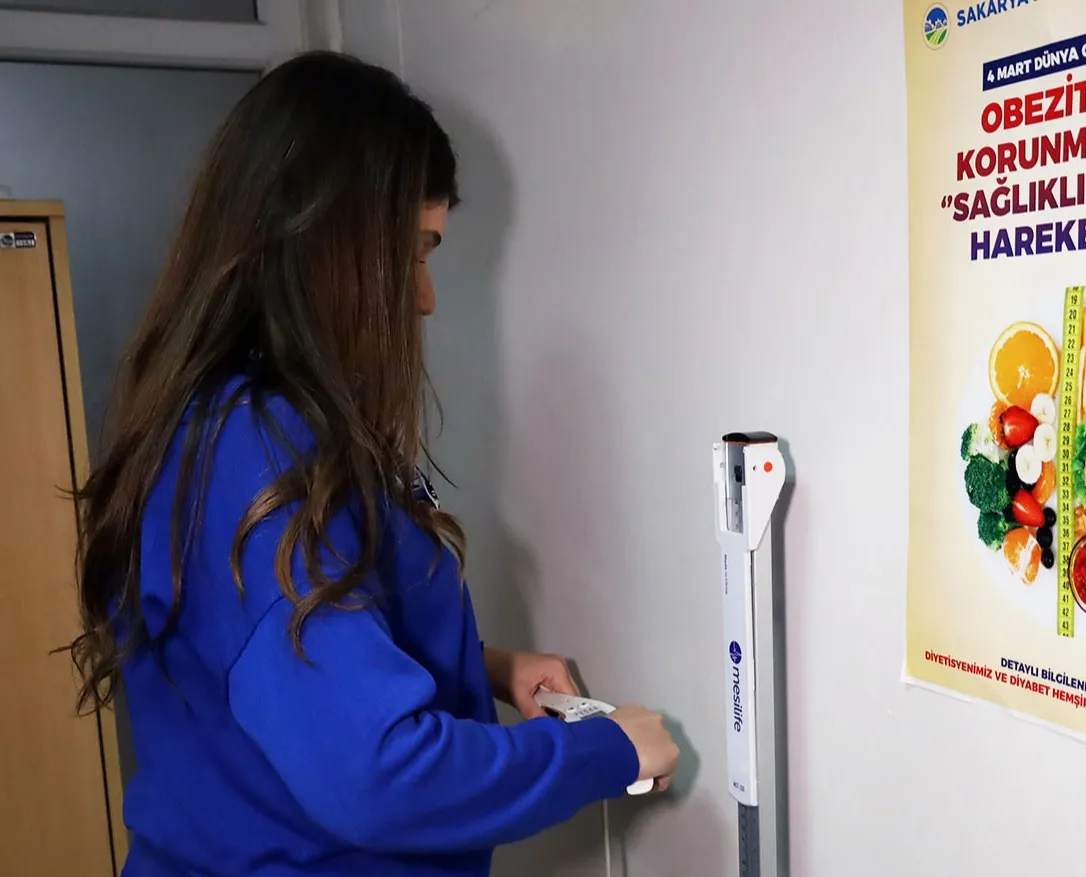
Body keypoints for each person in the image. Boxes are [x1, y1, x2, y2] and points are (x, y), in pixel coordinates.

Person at [65, 50, 680, 876]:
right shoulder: (253, 450)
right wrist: (606, 751)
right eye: (415, 252)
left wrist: (488, 667)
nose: (424, 297)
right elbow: (379, 772)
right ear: (324, 240)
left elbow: (287, 653)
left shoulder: (251, 421)